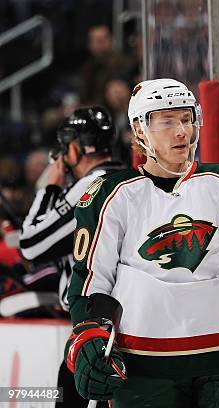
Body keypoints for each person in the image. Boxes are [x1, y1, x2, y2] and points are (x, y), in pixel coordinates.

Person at [64, 78, 219, 407]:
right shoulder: (111, 194)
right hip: (144, 366)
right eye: (168, 121)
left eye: (186, 119)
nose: (182, 132)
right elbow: (92, 283)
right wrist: (89, 337)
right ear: (140, 129)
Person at [19, 106, 123, 407]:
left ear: (76, 147)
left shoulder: (89, 186)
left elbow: (31, 245)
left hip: (94, 326)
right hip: (128, 322)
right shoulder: (129, 178)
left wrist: (50, 187)